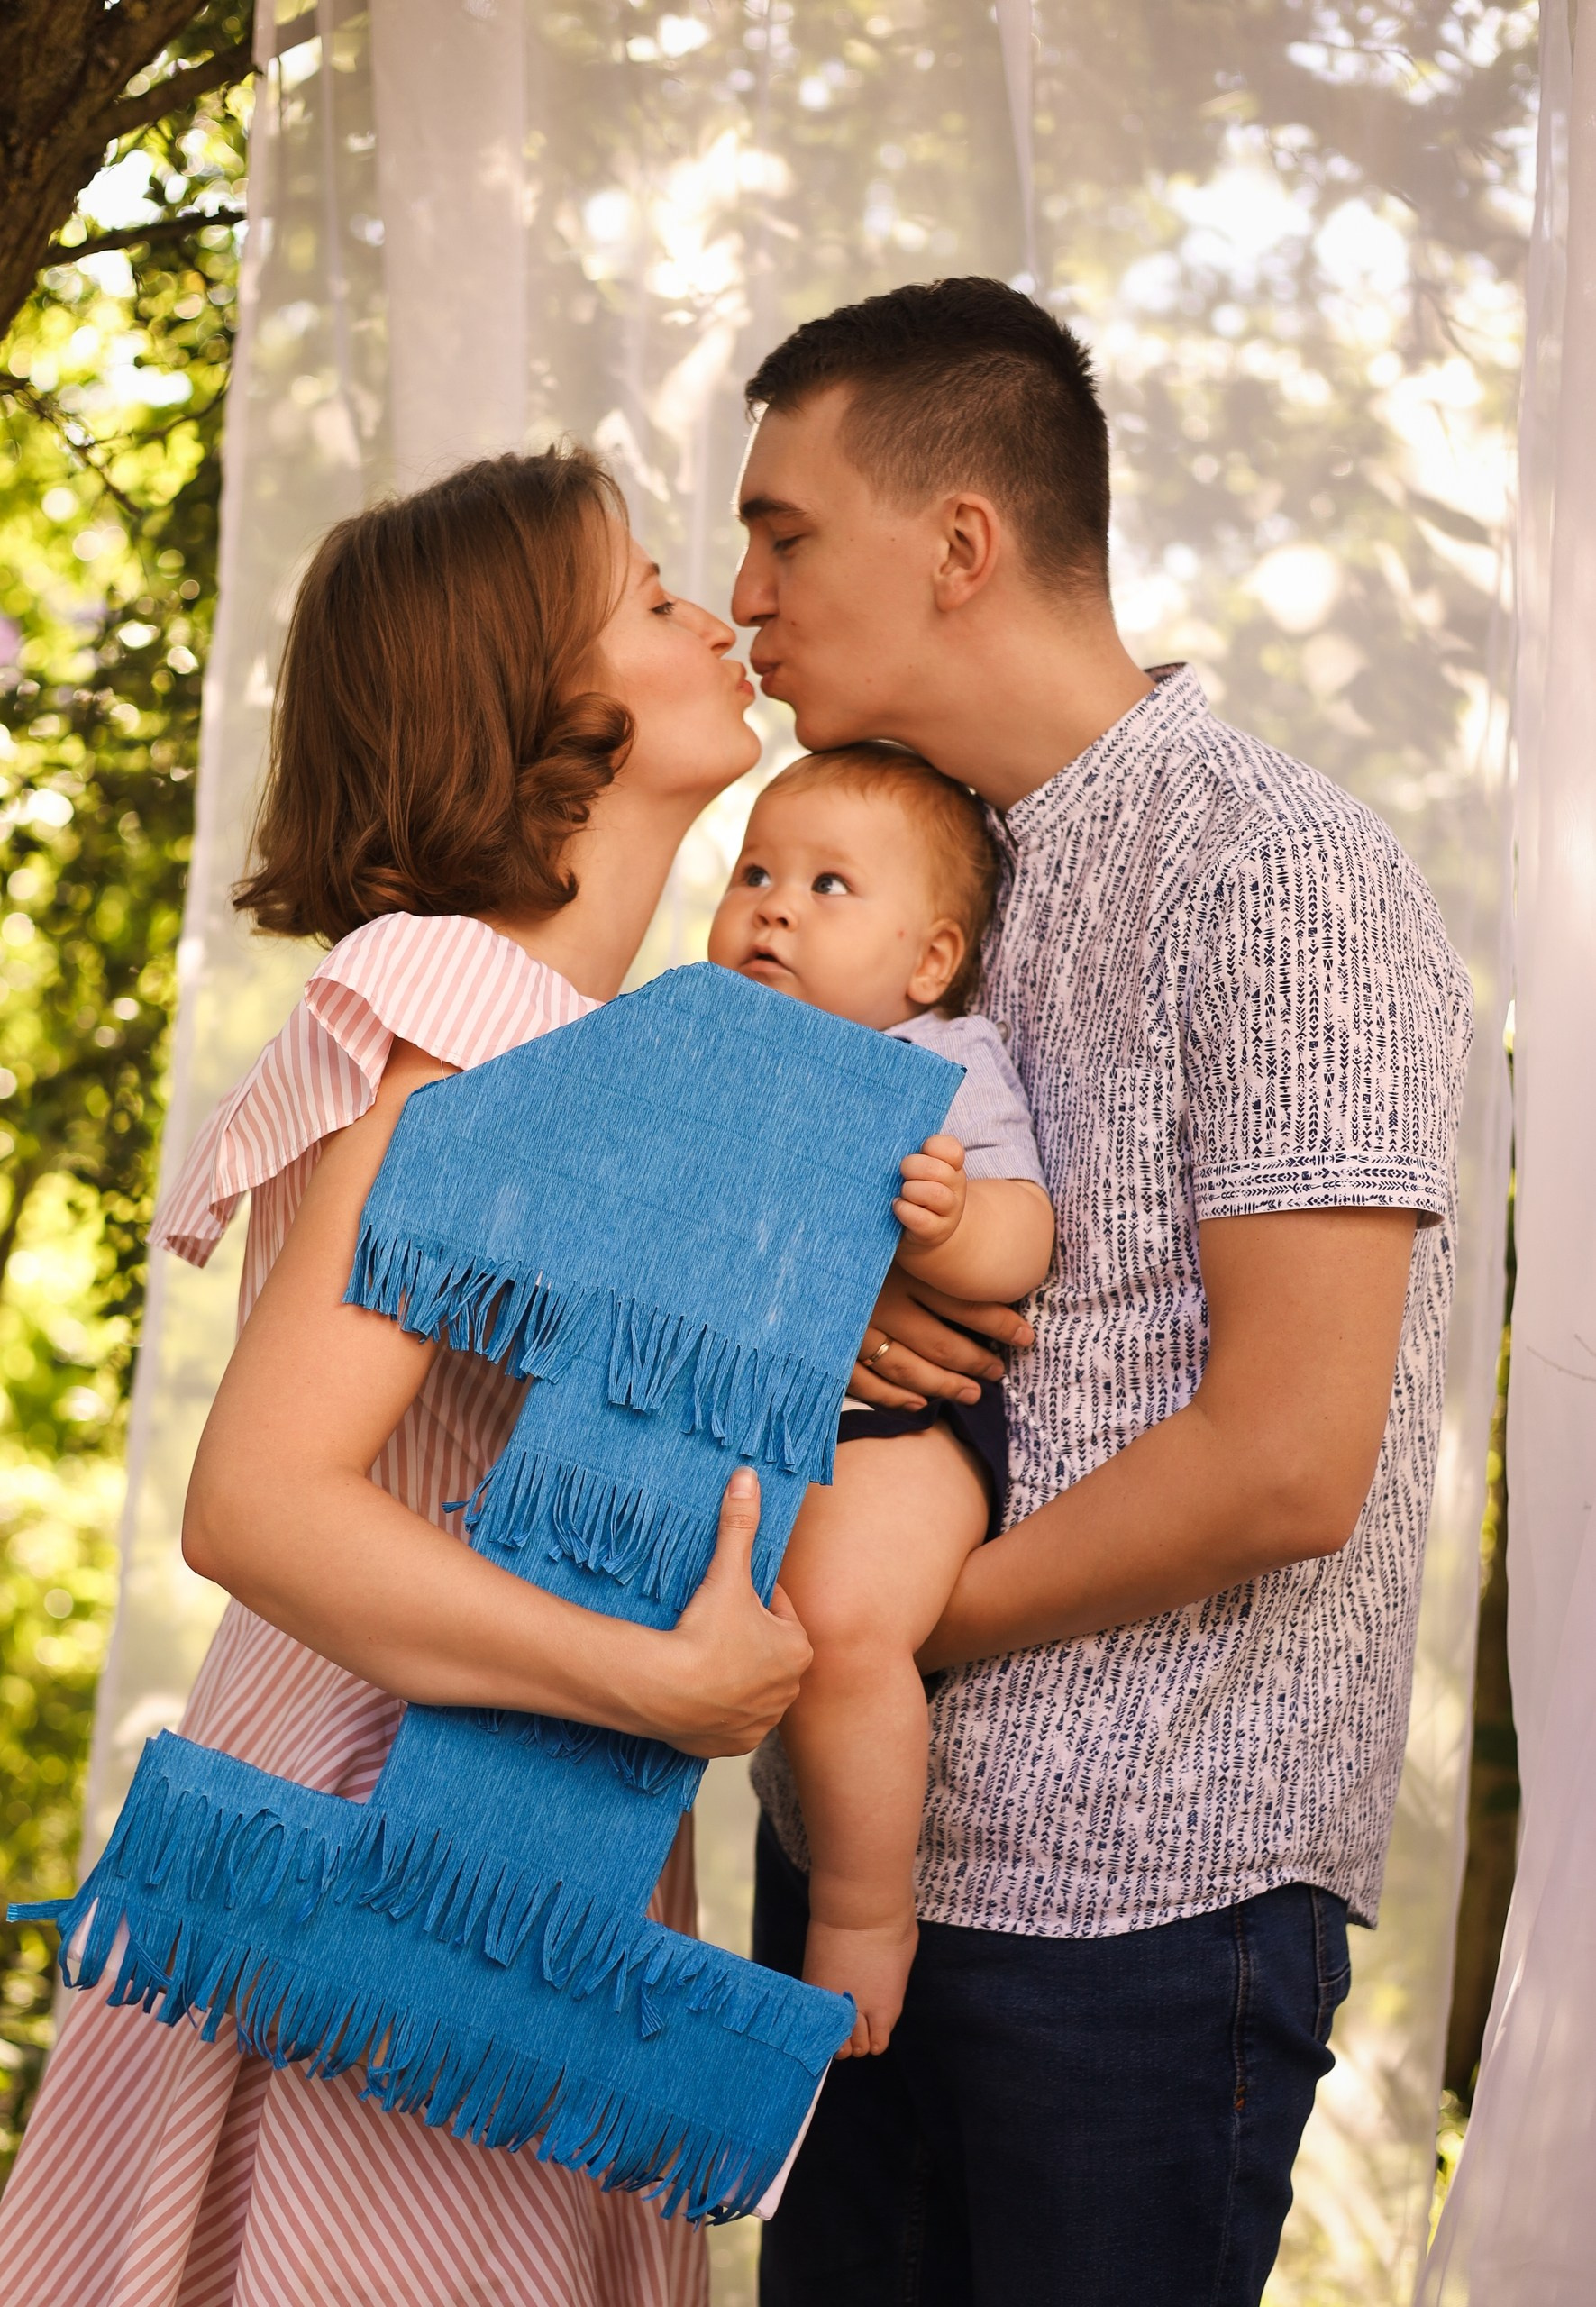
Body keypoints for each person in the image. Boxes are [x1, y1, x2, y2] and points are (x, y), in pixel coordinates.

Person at [0, 447, 812, 2307]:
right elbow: (259, 1499)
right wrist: (657, 1675)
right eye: (658, 594)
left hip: (500, 1799)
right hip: (393, 1815)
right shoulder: (465, 1003)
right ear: (549, 697)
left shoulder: (571, 1030)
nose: (721, 612)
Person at [734, 278, 1473, 2307]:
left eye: (781, 532)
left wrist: (868, 1629)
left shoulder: (1276, 874)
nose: (740, 596)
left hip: (1139, 1913)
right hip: (851, 1877)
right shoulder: (865, 869)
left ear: (958, 542)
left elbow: (1285, 1461)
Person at [707, 745, 1053, 2056]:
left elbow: (1024, 1243)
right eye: (754, 873)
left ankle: (860, 1916)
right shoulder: (709, 1046)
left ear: (927, 960)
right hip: (756, 1413)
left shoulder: (935, 1062)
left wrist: (950, 1227)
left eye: (829, 883)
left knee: (841, 1625)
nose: (775, 905)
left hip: (901, 1428)